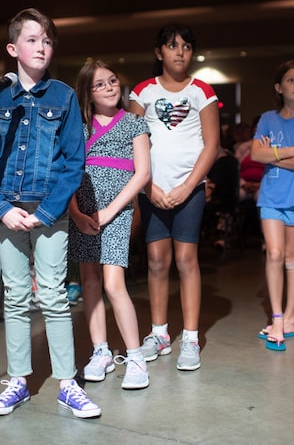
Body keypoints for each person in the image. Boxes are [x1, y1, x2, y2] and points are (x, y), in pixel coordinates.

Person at [0, 8, 100, 418]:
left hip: (49, 210)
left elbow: (72, 162)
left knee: (54, 294)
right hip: (6, 210)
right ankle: (18, 382)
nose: (41, 46)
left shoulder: (62, 96)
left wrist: (46, 212)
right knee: (14, 296)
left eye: (47, 40)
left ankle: (67, 383)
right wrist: (0, 208)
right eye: (32, 39)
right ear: (13, 48)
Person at [128, 22, 220, 371]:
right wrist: (149, 187)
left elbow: (212, 145)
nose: (180, 51)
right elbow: (130, 143)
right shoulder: (143, 93)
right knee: (155, 261)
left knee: (186, 261)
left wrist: (187, 186)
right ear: (159, 52)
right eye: (172, 45)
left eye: (186, 46)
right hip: (153, 190)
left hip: (190, 190)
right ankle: (160, 333)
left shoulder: (202, 92)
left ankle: (192, 338)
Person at [69, 59, 151, 389]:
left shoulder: (134, 122)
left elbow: (142, 174)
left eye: (113, 80)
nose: (110, 87)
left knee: (114, 283)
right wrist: (76, 212)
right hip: (83, 210)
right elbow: (69, 173)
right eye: (100, 84)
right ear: (87, 93)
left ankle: (135, 357)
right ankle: (100, 351)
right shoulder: (77, 126)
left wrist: (111, 211)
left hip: (115, 213)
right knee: (89, 280)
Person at [250, 60, 294, 351]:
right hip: (271, 198)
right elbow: (256, 154)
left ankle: (292, 317)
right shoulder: (268, 118)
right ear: (279, 88)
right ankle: (277, 317)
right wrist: (291, 150)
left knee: (293, 258)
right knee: (275, 254)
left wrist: (273, 154)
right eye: (291, 80)